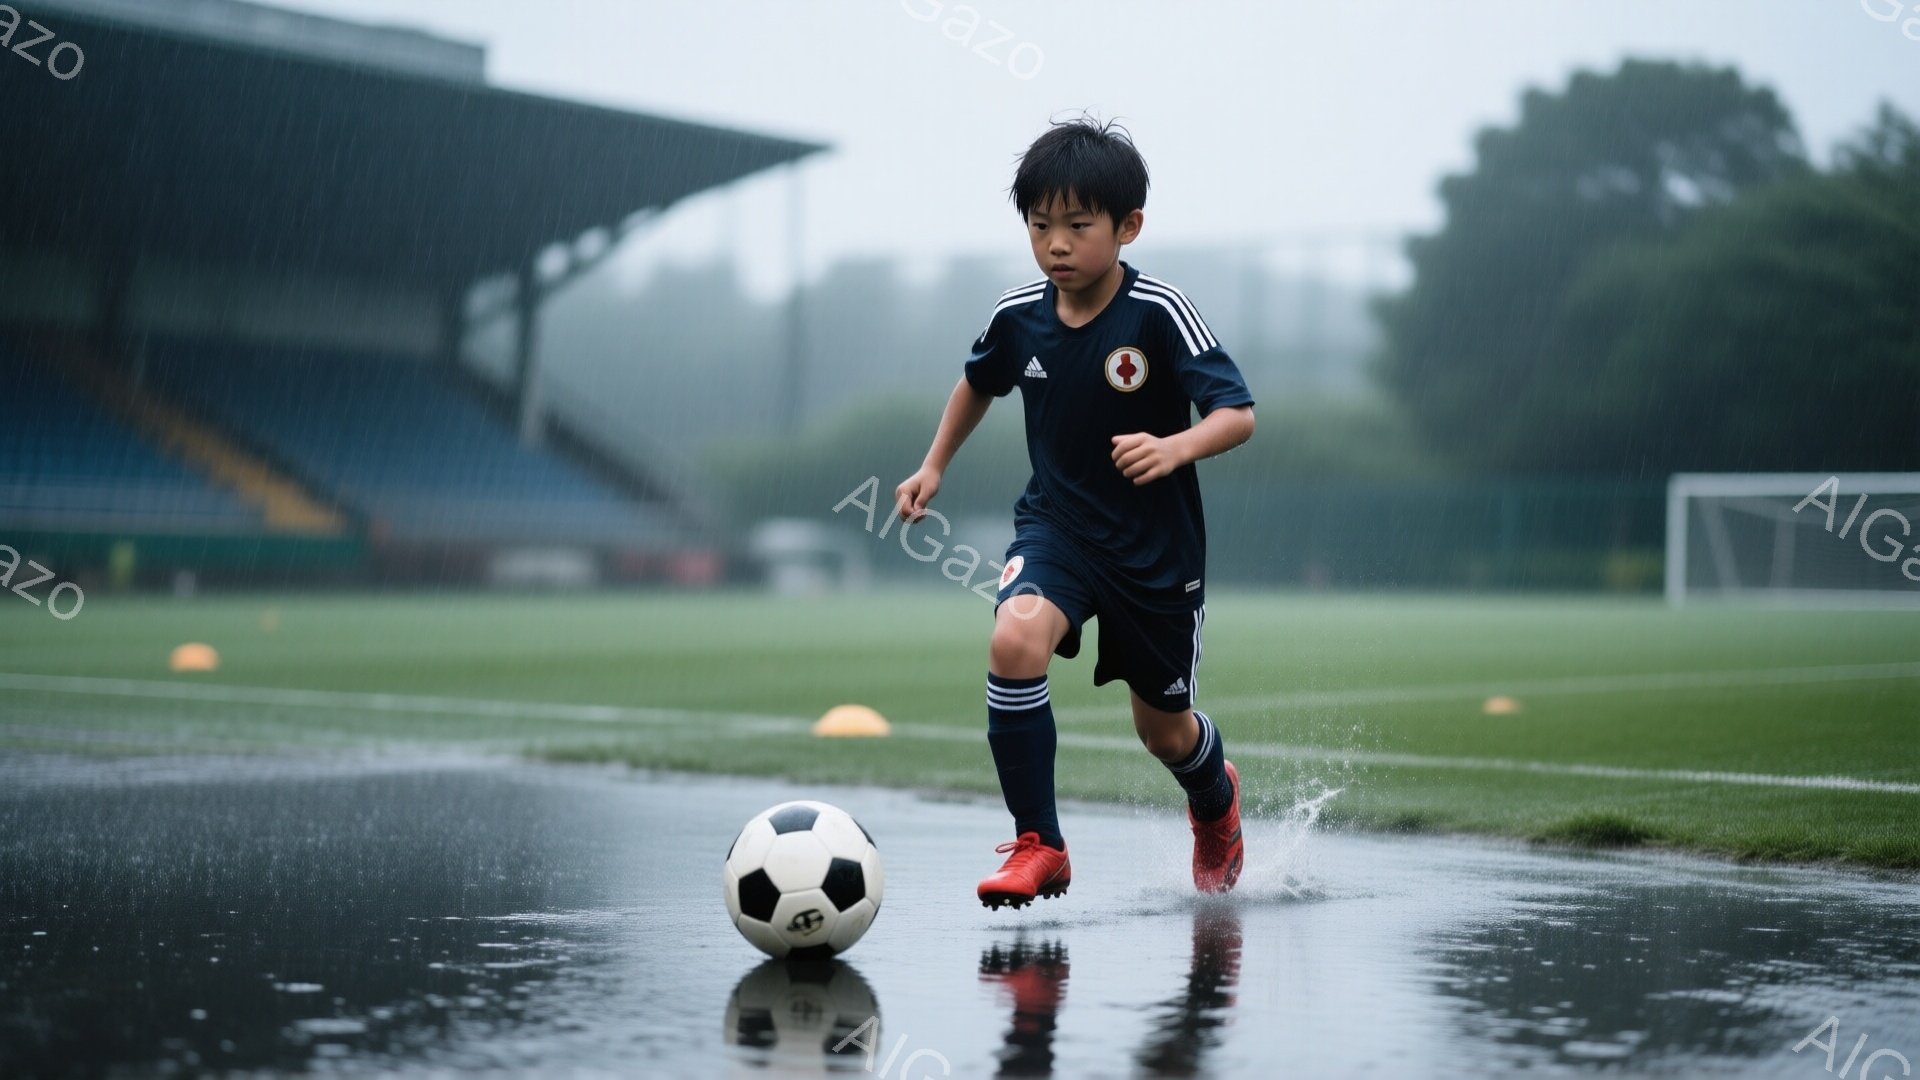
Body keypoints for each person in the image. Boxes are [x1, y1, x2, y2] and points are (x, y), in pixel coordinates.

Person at [893, 116, 1257, 909]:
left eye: (1078, 226)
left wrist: (1175, 447)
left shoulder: (1159, 311)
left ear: (1128, 227)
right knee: (1014, 635)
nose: (1056, 244)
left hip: (1155, 553)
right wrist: (932, 465)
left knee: (1163, 731)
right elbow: (978, 381)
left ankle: (1214, 800)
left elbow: (1237, 413)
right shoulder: (1018, 315)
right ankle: (1040, 844)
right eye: (1039, 225)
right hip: (1055, 528)